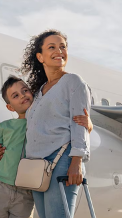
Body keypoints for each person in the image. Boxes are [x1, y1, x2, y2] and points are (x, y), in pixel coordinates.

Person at [0, 76, 93, 218]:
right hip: (1, 188)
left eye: (25, 91)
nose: (22, 96)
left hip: (27, 191)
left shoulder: (44, 124)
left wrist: (89, 126)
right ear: (10, 107)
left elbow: (67, 131)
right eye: (15, 96)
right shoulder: (4, 127)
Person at [21, 30, 91, 218]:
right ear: (40, 56)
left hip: (61, 159)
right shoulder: (39, 91)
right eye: (51, 47)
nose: (59, 51)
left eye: (63, 47)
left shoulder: (73, 81)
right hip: (37, 165)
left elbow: (79, 122)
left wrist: (76, 160)